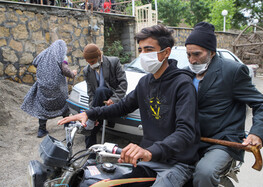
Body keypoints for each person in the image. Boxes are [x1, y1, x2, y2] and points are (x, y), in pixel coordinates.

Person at [58, 24, 200, 187]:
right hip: (150, 160)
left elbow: (185, 132)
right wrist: (90, 113)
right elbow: (122, 106)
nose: (143, 55)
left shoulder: (183, 85)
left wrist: (148, 151)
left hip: (177, 163)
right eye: (140, 50)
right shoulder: (145, 82)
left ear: (166, 52)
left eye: (148, 50)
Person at [183, 22, 263, 187]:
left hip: (222, 141)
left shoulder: (233, 71)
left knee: (205, 173)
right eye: (188, 55)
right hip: (192, 139)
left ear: (212, 52)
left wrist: (257, 133)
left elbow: (261, 104)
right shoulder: (185, 74)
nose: (192, 60)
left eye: (197, 54)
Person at [21, 40, 77, 138]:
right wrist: (72, 74)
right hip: (58, 87)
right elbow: (65, 70)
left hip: (44, 86)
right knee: (64, 103)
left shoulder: (44, 54)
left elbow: (35, 62)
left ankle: (41, 130)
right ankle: (67, 124)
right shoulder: (62, 57)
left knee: (43, 105)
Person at [82, 43, 127, 150]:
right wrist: (92, 110)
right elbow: (91, 94)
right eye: (88, 63)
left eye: (92, 62)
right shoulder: (86, 71)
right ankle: (90, 154)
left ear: (99, 56)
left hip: (111, 97)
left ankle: (91, 119)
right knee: (90, 128)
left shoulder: (113, 62)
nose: (91, 65)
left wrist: (114, 99)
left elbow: (123, 84)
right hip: (99, 102)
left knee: (101, 90)